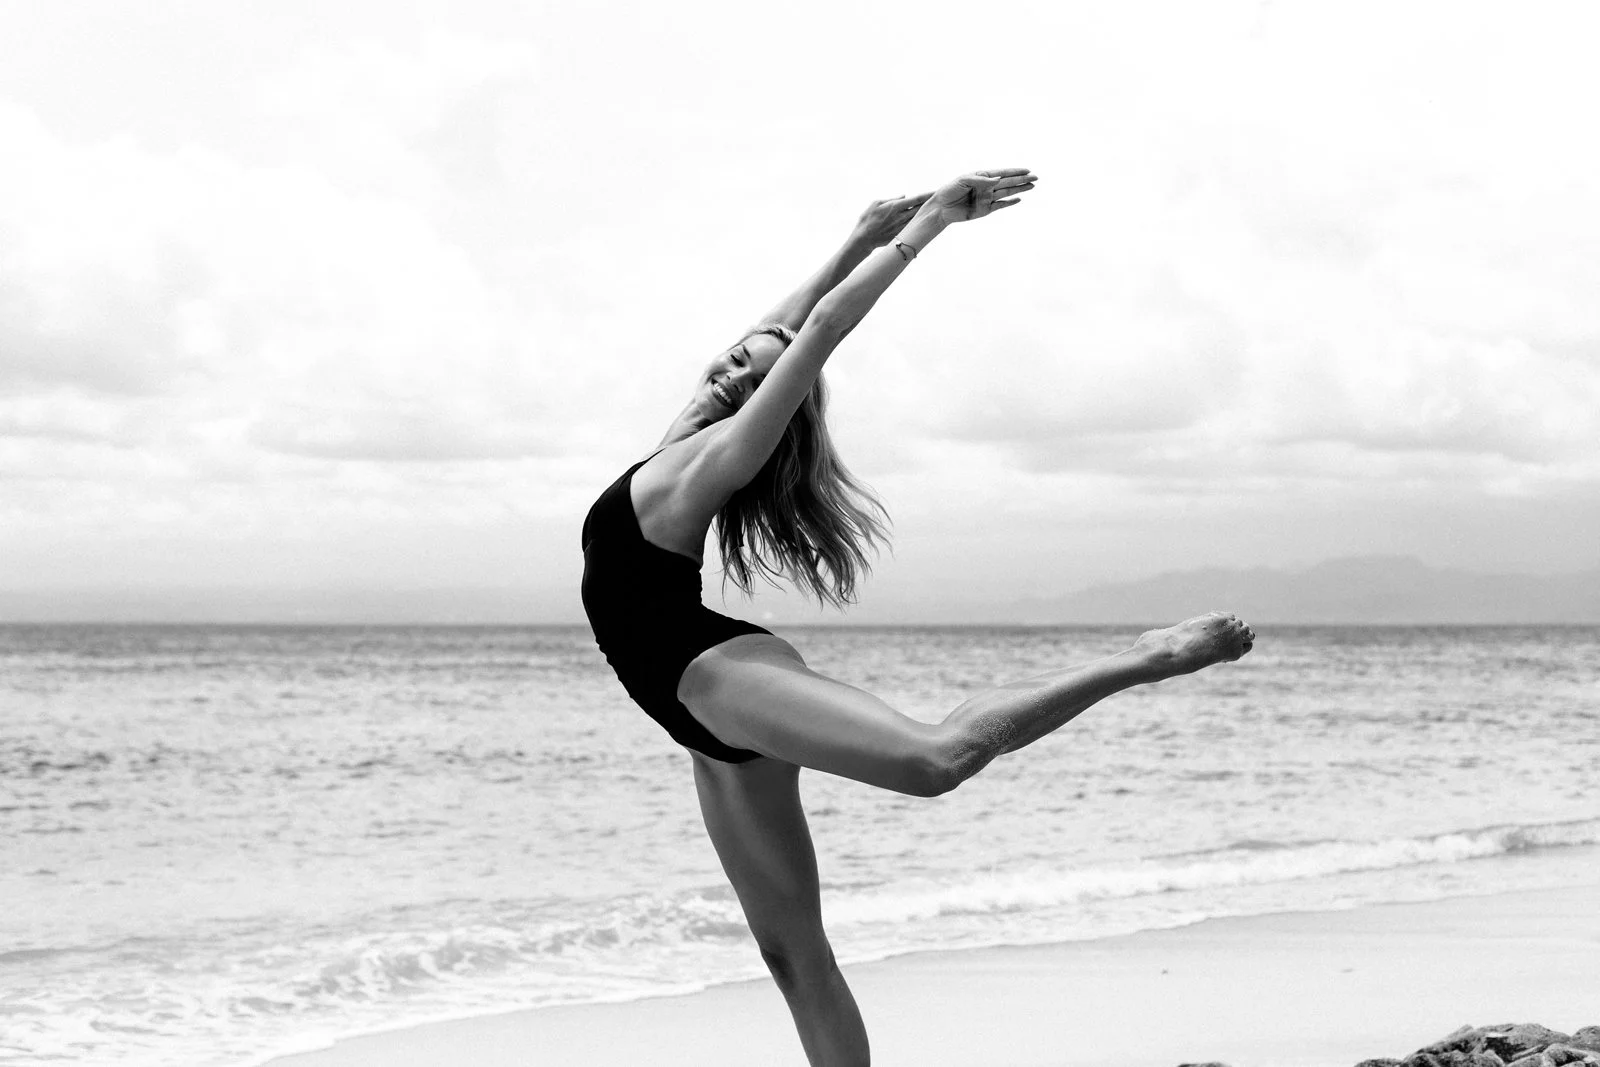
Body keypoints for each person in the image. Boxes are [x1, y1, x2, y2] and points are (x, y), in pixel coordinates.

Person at [580, 168, 1255, 1066]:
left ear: (763, 402)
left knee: (934, 762)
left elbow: (819, 330)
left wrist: (931, 223)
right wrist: (854, 240)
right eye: (734, 353)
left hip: (715, 676)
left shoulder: (717, 458)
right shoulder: (679, 435)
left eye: (750, 368)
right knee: (792, 954)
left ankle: (1149, 656)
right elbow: (789, 322)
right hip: (693, 720)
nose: (728, 363)